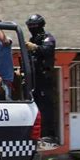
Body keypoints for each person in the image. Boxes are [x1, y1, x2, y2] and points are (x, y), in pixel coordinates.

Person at [25, 14, 57, 145]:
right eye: (30, 26)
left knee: (46, 107)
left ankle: (49, 135)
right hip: (33, 78)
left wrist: (34, 47)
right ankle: (36, 136)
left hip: (45, 78)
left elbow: (47, 50)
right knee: (34, 107)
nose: (32, 28)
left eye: (34, 26)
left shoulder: (47, 38)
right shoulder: (32, 39)